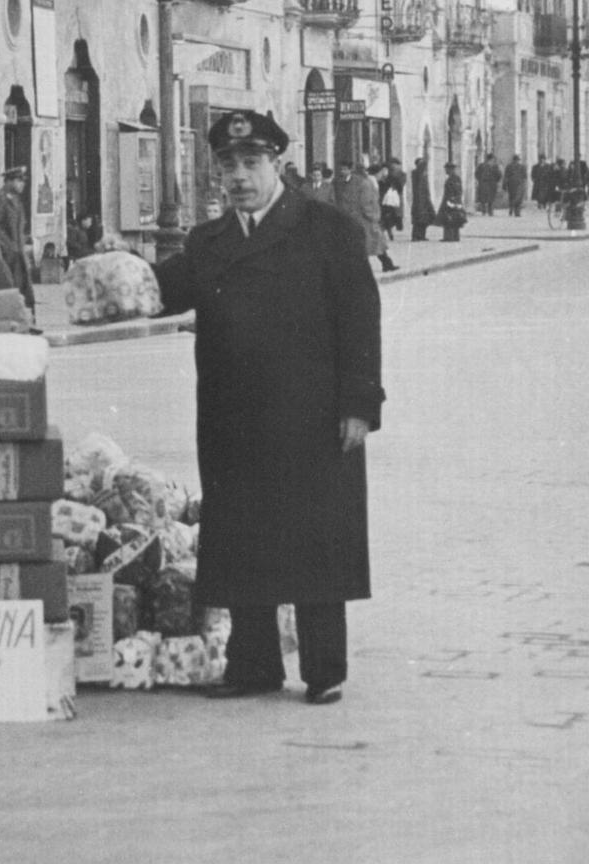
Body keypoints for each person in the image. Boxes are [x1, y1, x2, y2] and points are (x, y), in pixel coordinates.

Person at [154, 112, 381, 707]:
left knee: (315, 540)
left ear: (276, 164)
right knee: (242, 538)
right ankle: (253, 666)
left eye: (250, 163)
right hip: (234, 419)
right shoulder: (208, 242)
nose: (238, 177)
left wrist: (359, 405)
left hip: (312, 417)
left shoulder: (327, 229)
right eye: (227, 166)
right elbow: (161, 291)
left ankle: (324, 670)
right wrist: (112, 277)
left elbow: (360, 322)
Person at [0, 166, 36, 316]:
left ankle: (27, 322)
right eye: (19, 180)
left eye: (22, 181)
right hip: (6, 258)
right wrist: (9, 247)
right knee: (9, 294)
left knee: (24, 295)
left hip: (19, 258)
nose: (22, 184)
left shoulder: (16, 202)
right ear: (8, 181)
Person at [333, 157, 396, 273]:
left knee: (371, 242)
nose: (342, 171)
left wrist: (372, 215)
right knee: (367, 243)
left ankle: (386, 264)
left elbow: (366, 202)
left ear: (351, 170)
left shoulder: (361, 183)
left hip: (362, 218)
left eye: (345, 169)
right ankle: (386, 264)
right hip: (350, 217)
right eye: (341, 169)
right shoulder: (339, 182)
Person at [410, 157, 435, 241]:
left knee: (425, 218)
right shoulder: (416, 173)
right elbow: (419, 188)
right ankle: (415, 236)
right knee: (418, 218)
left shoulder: (424, 174)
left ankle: (422, 235)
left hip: (425, 199)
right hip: (419, 200)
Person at [438, 163, 465, 242]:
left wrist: (452, 200)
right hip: (453, 200)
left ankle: (449, 237)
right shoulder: (454, 178)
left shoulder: (454, 178)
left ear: (451, 169)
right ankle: (455, 236)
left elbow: (456, 190)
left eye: (446, 169)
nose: (445, 171)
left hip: (451, 201)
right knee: (454, 218)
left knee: (449, 218)